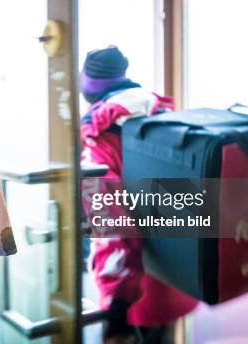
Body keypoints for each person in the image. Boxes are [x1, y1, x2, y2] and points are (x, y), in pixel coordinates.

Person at [80, 46, 198, 344]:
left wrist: (117, 305)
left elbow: (111, 224)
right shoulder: (165, 115)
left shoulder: (100, 137)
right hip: (180, 278)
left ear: (89, 88)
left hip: (134, 292)